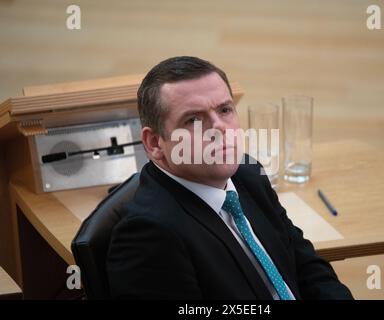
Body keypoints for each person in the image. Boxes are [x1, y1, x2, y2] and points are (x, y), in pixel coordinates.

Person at [106, 56, 353, 300]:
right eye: (193, 119)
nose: (219, 127)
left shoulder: (248, 174)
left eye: (225, 110)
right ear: (154, 143)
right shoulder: (148, 236)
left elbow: (304, 265)